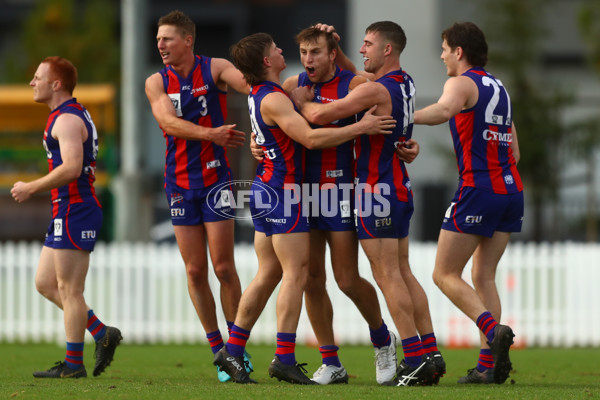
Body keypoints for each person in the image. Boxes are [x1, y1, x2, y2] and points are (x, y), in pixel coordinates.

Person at [213, 32, 396, 385]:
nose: (305, 58)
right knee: (306, 277)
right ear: (269, 60)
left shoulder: (351, 82)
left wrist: (402, 142)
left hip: (333, 190)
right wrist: (361, 126)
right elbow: (303, 135)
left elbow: (386, 98)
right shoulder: (287, 86)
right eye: (299, 51)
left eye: (315, 51)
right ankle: (319, 360)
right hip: (291, 192)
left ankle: (382, 341)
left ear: (332, 54)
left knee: (343, 279)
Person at [292, 21, 444, 386]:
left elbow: (317, 117)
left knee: (386, 275)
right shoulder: (404, 83)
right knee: (402, 272)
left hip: (374, 189)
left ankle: (415, 357)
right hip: (396, 185)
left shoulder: (372, 89)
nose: (362, 51)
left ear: (386, 50)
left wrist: (302, 102)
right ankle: (430, 353)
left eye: (368, 44)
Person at [144, 10, 250, 382]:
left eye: (168, 38)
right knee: (194, 269)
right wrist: (210, 134)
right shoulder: (156, 82)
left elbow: (252, 87)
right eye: (158, 39)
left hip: (217, 182)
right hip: (179, 183)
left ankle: (238, 350)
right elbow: (167, 123)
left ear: (188, 40)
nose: (161, 45)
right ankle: (218, 349)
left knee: (223, 267)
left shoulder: (215, 67)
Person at [413, 21, 521, 385]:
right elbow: (515, 151)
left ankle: (494, 332)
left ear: (459, 51)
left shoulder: (461, 82)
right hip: (511, 189)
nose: (442, 55)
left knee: (443, 274)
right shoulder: (499, 87)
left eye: (445, 48)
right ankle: (488, 367)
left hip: (480, 188)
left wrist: (402, 118)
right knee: (483, 275)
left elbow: (443, 111)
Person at [11, 56, 122, 378]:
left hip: (77, 209)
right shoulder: (64, 115)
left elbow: (72, 167)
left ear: (56, 84)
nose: (32, 83)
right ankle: (102, 332)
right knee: (46, 283)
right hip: (67, 209)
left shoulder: (68, 119)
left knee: (70, 289)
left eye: (37, 77)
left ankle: (73, 364)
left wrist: (31, 187)